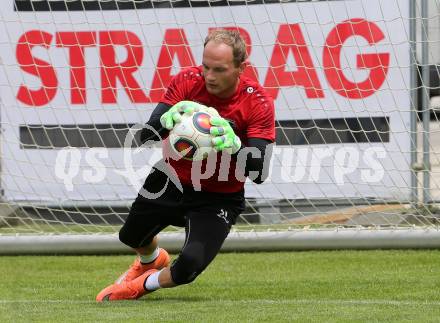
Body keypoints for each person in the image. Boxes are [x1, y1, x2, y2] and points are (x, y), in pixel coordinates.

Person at [96, 29, 275, 301]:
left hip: (218, 198)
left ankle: (140, 286)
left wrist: (236, 145)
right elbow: (147, 135)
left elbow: (259, 173)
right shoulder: (187, 80)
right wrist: (168, 118)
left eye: (219, 69)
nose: (210, 76)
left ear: (241, 68)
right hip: (171, 179)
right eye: (206, 66)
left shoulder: (258, 101)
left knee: (189, 265)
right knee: (131, 236)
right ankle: (151, 259)